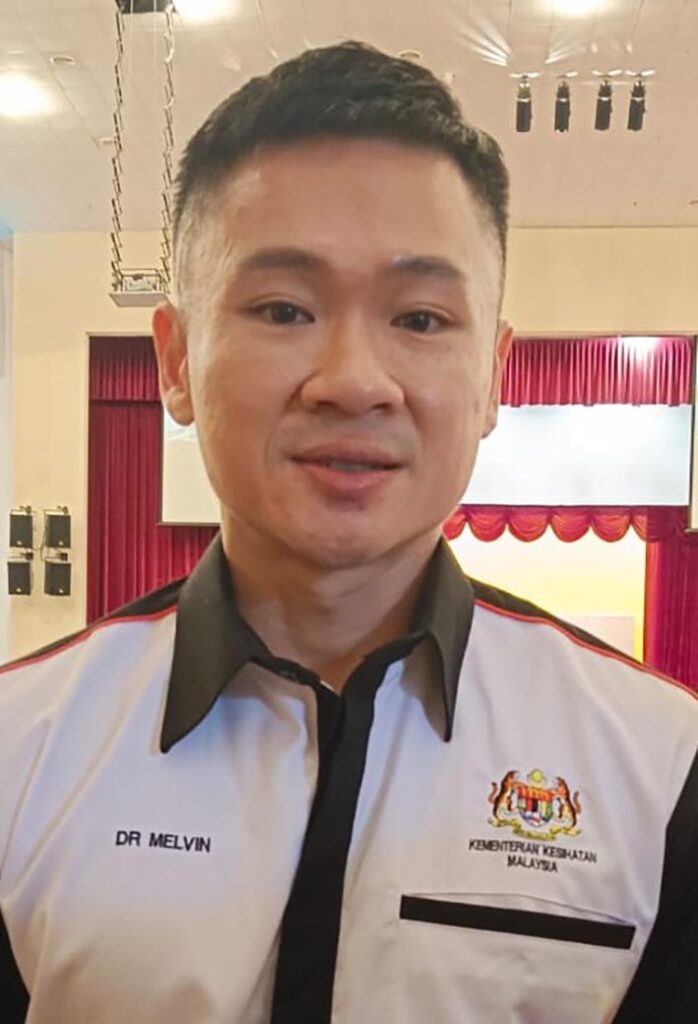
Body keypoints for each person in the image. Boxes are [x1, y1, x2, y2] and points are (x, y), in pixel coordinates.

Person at [1, 41, 697, 1024]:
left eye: (421, 318)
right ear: (176, 360)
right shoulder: (21, 748)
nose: (354, 381)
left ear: (492, 377)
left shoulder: (659, 768)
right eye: (284, 308)